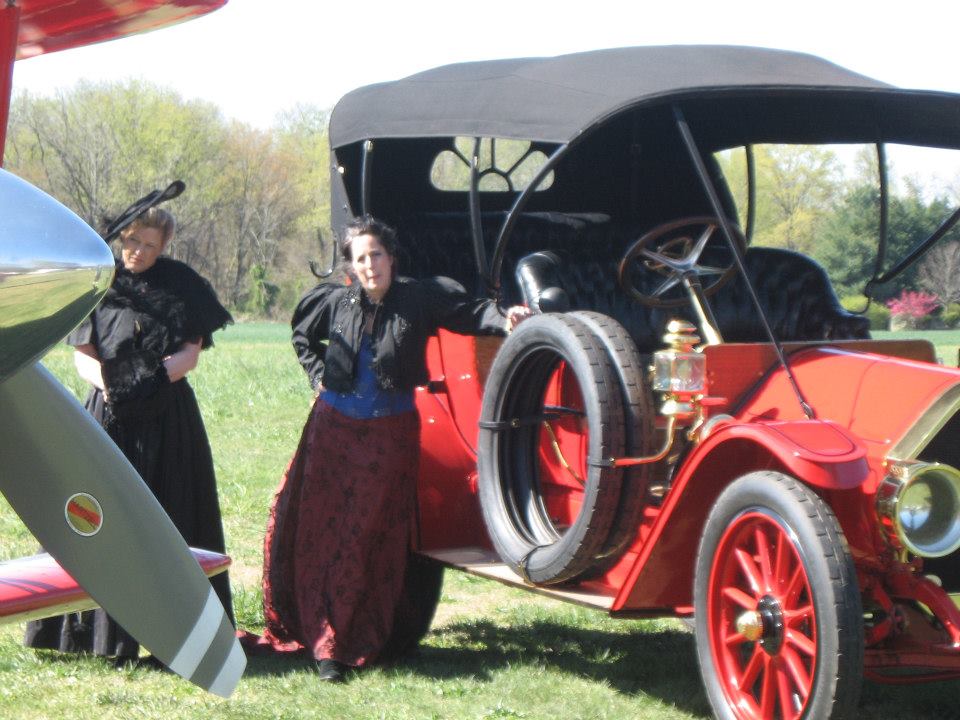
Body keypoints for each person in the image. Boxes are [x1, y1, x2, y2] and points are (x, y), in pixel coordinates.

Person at [251, 214, 530, 682]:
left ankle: (346, 642)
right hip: (331, 434)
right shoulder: (335, 301)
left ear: (391, 257)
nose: (369, 265)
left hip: (389, 438)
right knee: (322, 533)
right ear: (351, 266)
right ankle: (322, 641)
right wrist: (318, 377)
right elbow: (301, 335)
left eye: (376, 255)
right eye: (360, 258)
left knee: (365, 537)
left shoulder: (418, 299)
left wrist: (506, 318)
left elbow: (470, 313)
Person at [24, 206, 234, 663]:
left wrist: (151, 381)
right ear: (121, 236)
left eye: (149, 245)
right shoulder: (99, 281)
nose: (137, 251)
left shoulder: (183, 286)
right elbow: (82, 352)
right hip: (106, 411)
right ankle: (88, 634)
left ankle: (176, 632)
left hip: (167, 416)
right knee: (94, 513)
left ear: (164, 247)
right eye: (132, 240)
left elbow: (190, 354)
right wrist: (113, 385)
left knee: (170, 513)